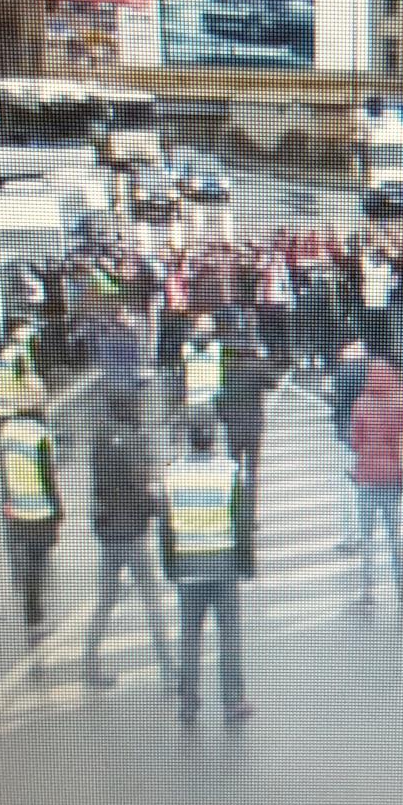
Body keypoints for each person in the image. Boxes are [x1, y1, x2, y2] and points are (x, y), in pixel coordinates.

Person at [159, 420, 254, 727]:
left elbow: (166, 525)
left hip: (187, 567)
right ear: (213, 439)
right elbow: (241, 521)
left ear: (189, 440)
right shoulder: (229, 471)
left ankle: (188, 702)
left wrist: (170, 567)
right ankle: (233, 700)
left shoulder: (172, 472)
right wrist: (245, 565)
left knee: (189, 637)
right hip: (222, 566)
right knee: (228, 636)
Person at [83, 391, 175, 690]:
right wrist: (157, 510)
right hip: (133, 535)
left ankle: (90, 665)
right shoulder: (135, 441)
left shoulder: (100, 442)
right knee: (152, 603)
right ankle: (167, 669)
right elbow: (139, 488)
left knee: (104, 602)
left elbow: (98, 490)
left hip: (109, 534)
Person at [0, 384, 64, 675]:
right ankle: (35, 618)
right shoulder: (41, 436)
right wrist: (58, 509)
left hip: (17, 508)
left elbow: (5, 471)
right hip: (39, 510)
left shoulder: (8, 432)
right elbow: (48, 476)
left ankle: (30, 612)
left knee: (28, 563)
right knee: (39, 567)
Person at [350, 357, 403, 607]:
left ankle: (367, 588)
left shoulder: (360, 404)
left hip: (365, 478)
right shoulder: (396, 403)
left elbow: (354, 442)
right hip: (391, 478)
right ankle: (400, 586)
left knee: (367, 536)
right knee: (393, 534)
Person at [216, 309, 273, 514]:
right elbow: (272, 383)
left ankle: (235, 511)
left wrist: (225, 419)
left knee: (234, 470)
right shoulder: (255, 366)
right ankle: (250, 511)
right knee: (251, 472)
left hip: (234, 429)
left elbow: (219, 401)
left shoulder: (228, 371)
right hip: (253, 428)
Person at [329, 338, 370, 553]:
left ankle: (348, 535)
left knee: (347, 486)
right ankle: (365, 532)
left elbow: (335, 398)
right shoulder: (374, 373)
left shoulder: (343, 373)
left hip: (349, 433)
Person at [0, 321, 45, 419]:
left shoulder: (5, 357)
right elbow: (23, 376)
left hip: (10, 406)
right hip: (20, 405)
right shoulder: (16, 354)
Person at [180, 315, 223, 418]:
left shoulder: (217, 347)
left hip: (211, 402)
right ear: (195, 328)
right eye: (202, 327)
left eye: (208, 327)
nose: (205, 331)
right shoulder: (187, 347)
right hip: (191, 401)